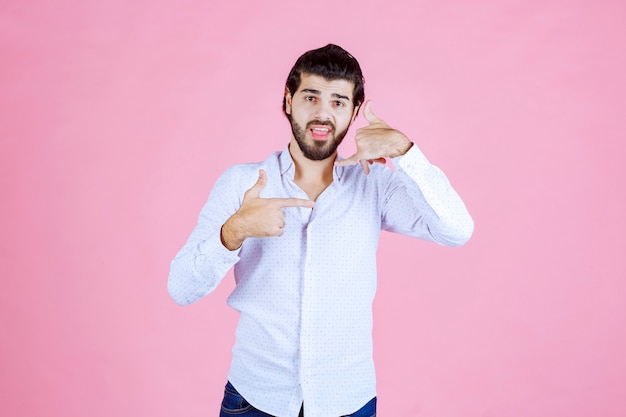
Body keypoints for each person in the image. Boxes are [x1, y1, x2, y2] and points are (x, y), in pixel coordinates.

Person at [168, 44, 474, 417]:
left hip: (346, 400)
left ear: (355, 111)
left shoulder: (375, 185)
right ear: (288, 100)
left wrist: (404, 151)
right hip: (254, 398)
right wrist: (233, 232)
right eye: (311, 97)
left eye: (339, 102)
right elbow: (180, 288)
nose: (323, 113)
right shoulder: (241, 183)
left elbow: (456, 230)